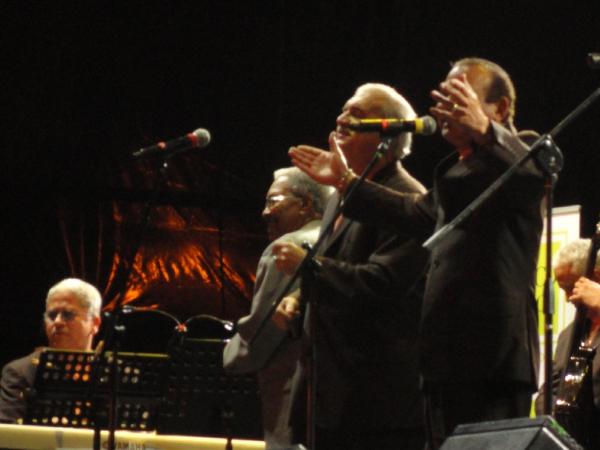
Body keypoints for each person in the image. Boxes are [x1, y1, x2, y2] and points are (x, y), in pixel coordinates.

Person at [289, 58, 545, 449]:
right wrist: (345, 181)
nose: (445, 108)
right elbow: (415, 213)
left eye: (459, 97)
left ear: (500, 108)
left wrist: (486, 130)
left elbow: (533, 176)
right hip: (443, 361)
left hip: (491, 361)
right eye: (443, 97)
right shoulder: (459, 171)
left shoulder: (523, 151)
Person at [274, 83, 429, 450]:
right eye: (343, 110)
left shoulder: (407, 199)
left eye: (356, 115)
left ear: (386, 136)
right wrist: (297, 301)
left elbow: (382, 284)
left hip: (373, 404)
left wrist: (309, 269)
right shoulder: (339, 198)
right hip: (328, 395)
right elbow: (340, 270)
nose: (341, 119)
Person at [222, 167, 330, 450]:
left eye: (273, 201)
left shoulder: (286, 246)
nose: (264, 212)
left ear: (305, 203)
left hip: (290, 387)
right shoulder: (338, 239)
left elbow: (263, 330)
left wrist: (230, 355)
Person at [0, 278, 102, 423]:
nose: (57, 322)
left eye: (68, 314)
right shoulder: (21, 372)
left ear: (95, 323)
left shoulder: (111, 374)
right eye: (52, 315)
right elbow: (7, 431)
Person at [535, 238, 600, 449]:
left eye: (571, 287)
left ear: (596, 277)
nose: (568, 298)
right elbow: (549, 391)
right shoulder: (568, 335)